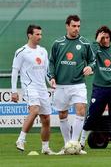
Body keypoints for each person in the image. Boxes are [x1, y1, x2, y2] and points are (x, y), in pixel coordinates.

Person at [49, 15, 95, 155]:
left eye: (78, 26)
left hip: (78, 84)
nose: (76, 28)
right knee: (63, 114)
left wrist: (90, 67)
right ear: (67, 26)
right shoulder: (57, 43)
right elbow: (51, 62)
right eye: (74, 26)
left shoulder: (85, 43)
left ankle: (75, 144)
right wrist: (52, 77)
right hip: (61, 85)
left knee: (81, 109)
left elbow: (93, 61)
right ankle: (67, 145)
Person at [11, 25, 55, 155]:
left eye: (41, 34)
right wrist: (14, 91)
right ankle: (21, 139)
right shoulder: (21, 51)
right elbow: (15, 71)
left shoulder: (43, 51)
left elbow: (47, 71)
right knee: (34, 109)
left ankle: (45, 148)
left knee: (46, 118)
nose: (40, 37)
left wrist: (51, 81)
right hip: (29, 86)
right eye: (37, 34)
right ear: (29, 35)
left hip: (42, 87)